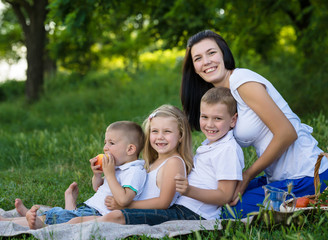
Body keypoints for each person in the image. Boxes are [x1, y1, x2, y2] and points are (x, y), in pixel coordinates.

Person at [180, 29, 328, 218]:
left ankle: (315, 198)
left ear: (223, 54)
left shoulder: (242, 81)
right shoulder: (223, 98)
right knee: (221, 197)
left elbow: (287, 133)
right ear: (194, 67)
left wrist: (248, 174)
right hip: (279, 177)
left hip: (306, 175)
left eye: (211, 53)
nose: (206, 61)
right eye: (198, 58)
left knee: (228, 212)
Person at [68, 88, 244, 225]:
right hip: (182, 207)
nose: (210, 124)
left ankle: (78, 223)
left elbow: (224, 196)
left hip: (194, 214)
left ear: (233, 120)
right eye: (204, 117)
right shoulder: (210, 145)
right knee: (115, 213)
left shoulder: (227, 149)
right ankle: (75, 219)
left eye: (218, 119)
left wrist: (189, 190)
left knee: (118, 215)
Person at [0, 120, 147, 229]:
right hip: (89, 209)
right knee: (59, 214)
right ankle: (29, 217)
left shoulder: (135, 171)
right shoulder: (118, 167)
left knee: (58, 217)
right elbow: (98, 188)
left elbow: (124, 199)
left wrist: (110, 174)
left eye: (111, 143)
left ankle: (3, 223)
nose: (105, 148)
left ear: (130, 149)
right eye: (105, 143)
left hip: (99, 215)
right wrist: (97, 175)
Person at [66, 104, 196, 225]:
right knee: (76, 219)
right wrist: (99, 175)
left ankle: (67, 215)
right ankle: (70, 210)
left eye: (167, 131)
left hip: (135, 211)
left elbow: (163, 202)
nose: (160, 136)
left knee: (77, 222)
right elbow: (108, 187)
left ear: (181, 135)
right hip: (123, 207)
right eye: (155, 131)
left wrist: (126, 206)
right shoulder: (151, 162)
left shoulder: (173, 162)